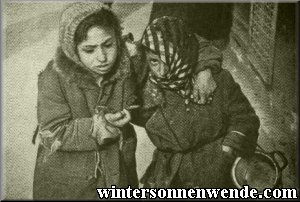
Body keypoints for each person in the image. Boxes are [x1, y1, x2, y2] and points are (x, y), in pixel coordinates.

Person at [32, 3, 222, 200]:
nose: (102, 57)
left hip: (117, 168)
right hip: (71, 179)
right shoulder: (55, 76)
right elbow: (52, 130)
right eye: (89, 50)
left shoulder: (128, 58)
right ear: (72, 49)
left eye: (108, 44)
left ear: (117, 38)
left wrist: (203, 68)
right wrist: (98, 126)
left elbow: (183, 40)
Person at [138, 16, 260, 188]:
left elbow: (245, 119)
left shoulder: (217, 80)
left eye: (171, 59)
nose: (162, 72)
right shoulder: (146, 93)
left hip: (218, 171)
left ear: (184, 51)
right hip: (172, 176)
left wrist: (228, 149)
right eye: (154, 61)